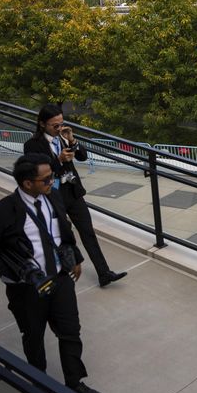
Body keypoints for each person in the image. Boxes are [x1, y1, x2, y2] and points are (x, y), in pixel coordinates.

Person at [0, 154, 103, 393]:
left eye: (52, 176)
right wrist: (16, 273)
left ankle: (75, 382)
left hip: (60, 279)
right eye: (46, 179)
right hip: (27, 290)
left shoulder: (53, 197)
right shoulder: (1, 211)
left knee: (70, 332)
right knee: (34, 336)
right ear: (26, 183)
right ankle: (39, 383)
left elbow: (63, 233)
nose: (52, 182)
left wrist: (74, 256)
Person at [24, 104, 126, 287]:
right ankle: (65, 275)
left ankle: (104, 273)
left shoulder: (63, 137)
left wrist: (72, 139)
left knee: (88, 232)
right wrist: (58, 160)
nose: (59, 128)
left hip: (72, 191)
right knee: (63, 235)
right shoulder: (32, 145)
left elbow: (82, 157)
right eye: (54, 125)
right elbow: (36, 172)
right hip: (52, 195)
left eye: (61, 124)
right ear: (42, 124)